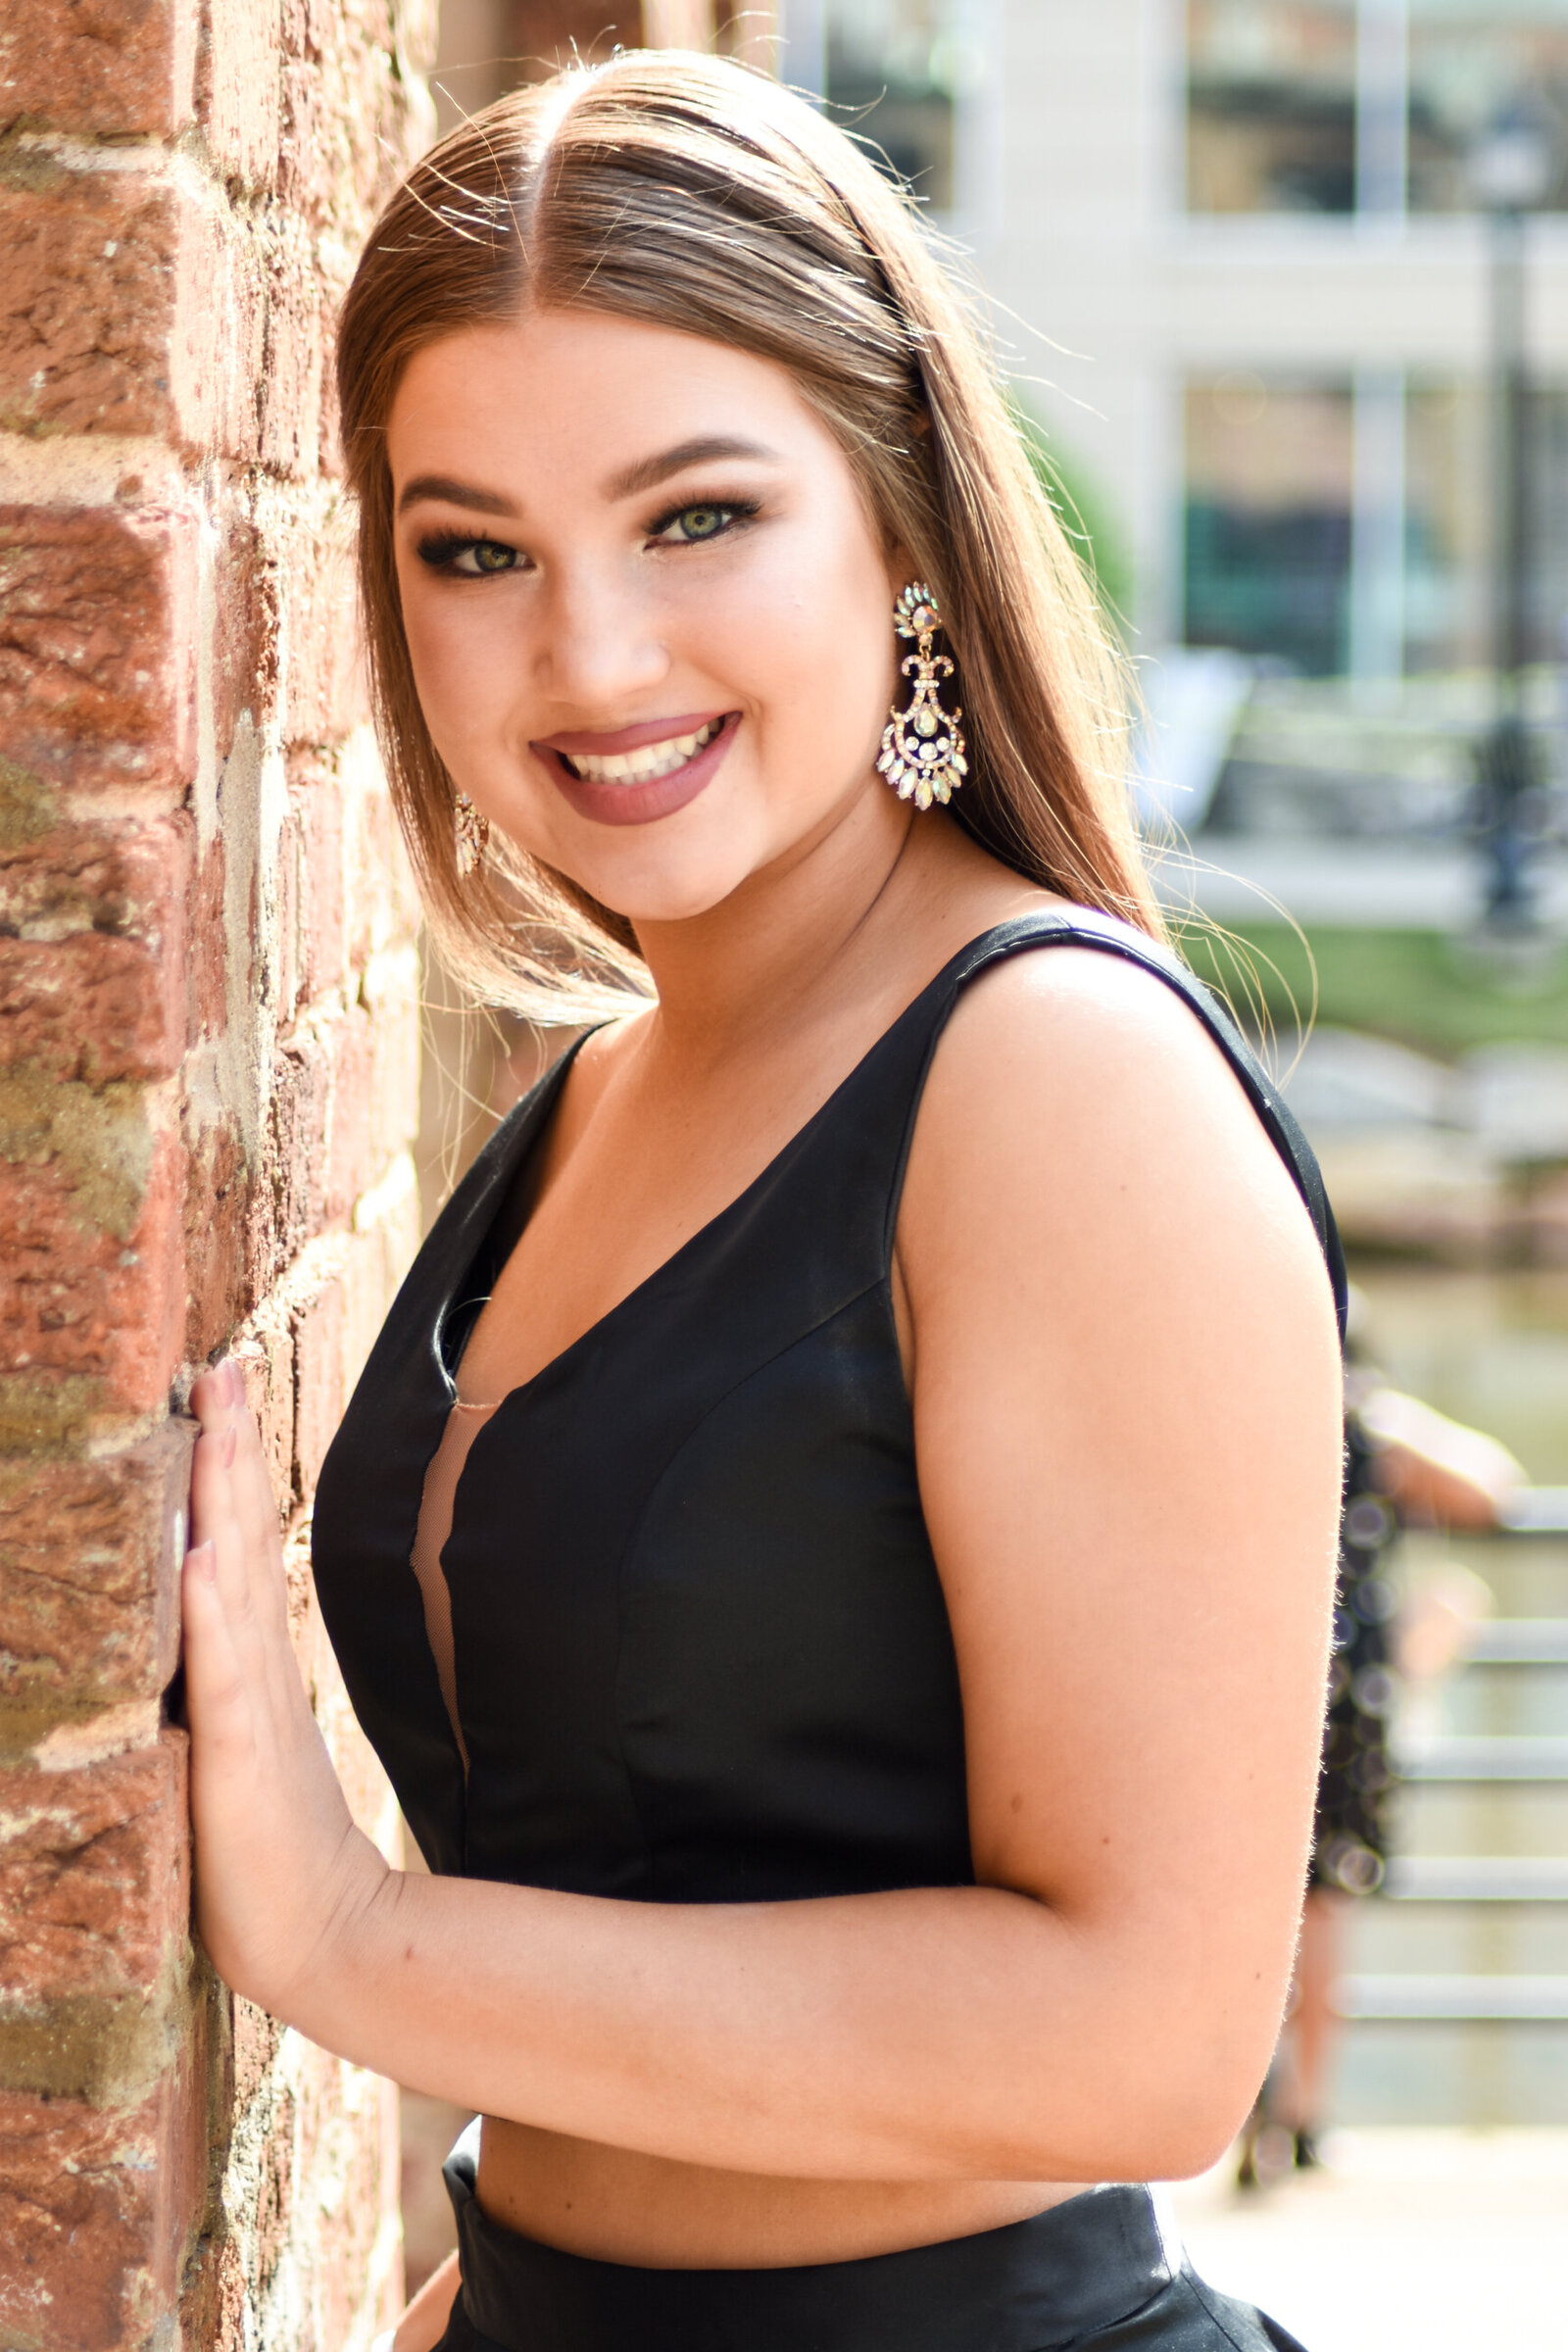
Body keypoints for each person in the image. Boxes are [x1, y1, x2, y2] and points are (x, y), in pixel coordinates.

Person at [178, 52, 1348, 2352]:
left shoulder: (1050, 1078)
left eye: (695, 516)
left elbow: (1151, 2028)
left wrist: (347, 1939)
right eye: (475, 548)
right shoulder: (602, 1089)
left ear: (895, 518)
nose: (589, 657)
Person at [1239, 1327, 1523, 2184]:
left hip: (1244, 1684)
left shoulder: (1243, 1406)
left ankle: (1243, 2093)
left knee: (1243, 1900)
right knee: (1324, 1908)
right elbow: (1493, 1489)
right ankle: (1304, 2116)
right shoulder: (1370, 1420)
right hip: (1347, 1701)